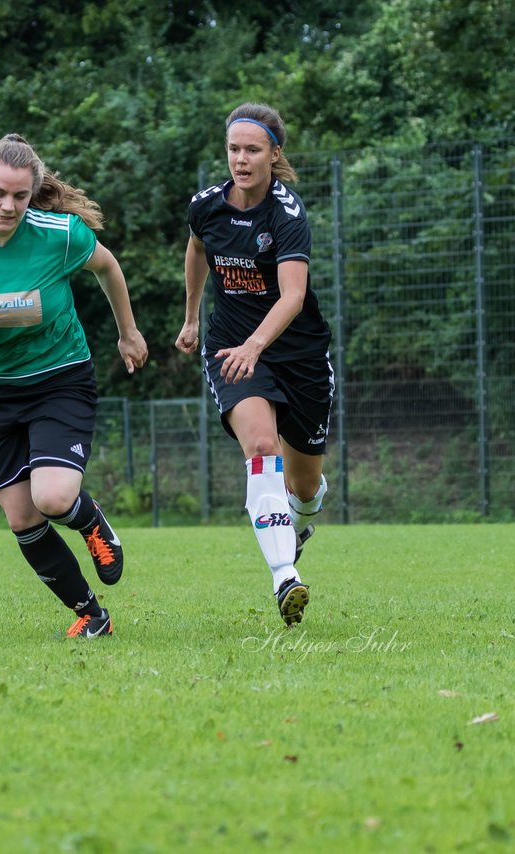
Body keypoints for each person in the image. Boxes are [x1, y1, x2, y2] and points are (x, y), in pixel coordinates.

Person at [0, 133, 148, 638]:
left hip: (60, 380)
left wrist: (128, 332)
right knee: (22, 516)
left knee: (52, 498)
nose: (8, 206)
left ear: (34, 193)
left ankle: (90, 519)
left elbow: (108, 267)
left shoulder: (59, 234)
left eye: (20, 196)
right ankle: (92, 616)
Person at [175, 103, 333, 627]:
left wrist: (257, 345)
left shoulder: (286, 215)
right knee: (262, 446)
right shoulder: (206, 206)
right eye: (233, 149)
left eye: (252, 150)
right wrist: (194, 316)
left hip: (299, 353)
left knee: (305, 488)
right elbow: (197, 250)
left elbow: (292, 296)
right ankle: (285, 575)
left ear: (274, 154)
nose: (240, 160)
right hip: (231, 348)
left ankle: (297, 522)